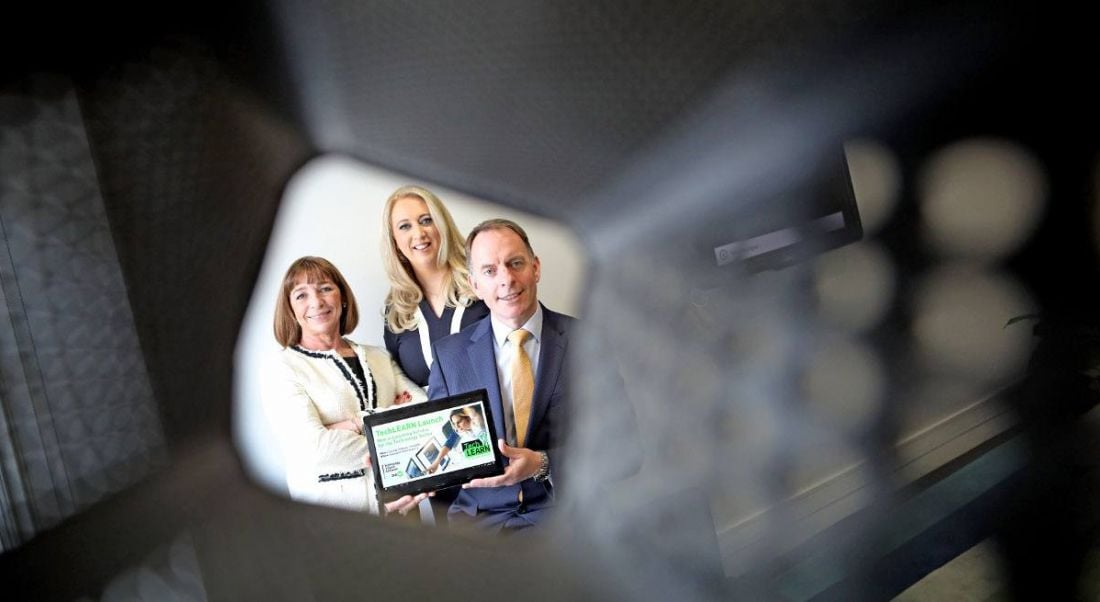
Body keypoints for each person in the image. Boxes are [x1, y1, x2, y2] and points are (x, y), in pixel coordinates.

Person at [423, 219, 577, 530]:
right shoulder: (449, 356)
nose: (506, 278)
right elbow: (440, 446)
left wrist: (543, 463)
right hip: (478, 527)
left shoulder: (587, 341)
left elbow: (624, 449)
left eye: (515, 263)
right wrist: (396, 476)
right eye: (490, 271)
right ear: (474, 284)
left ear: (535, 268)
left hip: (566, 520)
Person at [264, 256, 426, 514]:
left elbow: (425, 419)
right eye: (301, 295)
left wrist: (351, 425)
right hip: (337, 521)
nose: (316, 302)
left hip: (402, 509)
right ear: (290, 310)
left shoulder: (379, 358)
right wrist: (395, 431)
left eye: (325, 288)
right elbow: (314, 450)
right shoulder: (283, 368)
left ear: (343, 297)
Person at [380, 185, 490, 389]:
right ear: (394, 241)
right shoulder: (397, 312)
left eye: (426, 220)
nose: (419, 233)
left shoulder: (482, 281)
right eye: (405, 226)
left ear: (442, 225)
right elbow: (401, 386)